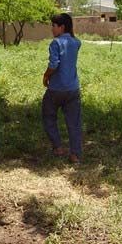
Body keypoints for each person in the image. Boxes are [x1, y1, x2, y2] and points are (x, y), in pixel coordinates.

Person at [42, 13, 82, 164]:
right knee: (74, 123)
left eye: (54, 25)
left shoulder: (56, 43)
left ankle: (58, 146)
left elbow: (54, 64)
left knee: (48, 116)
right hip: (72, 88)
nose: (52, 28)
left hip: (56, 88)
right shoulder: (76, 42)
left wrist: (46, 76)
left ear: (62, 27)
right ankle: (75, 155)